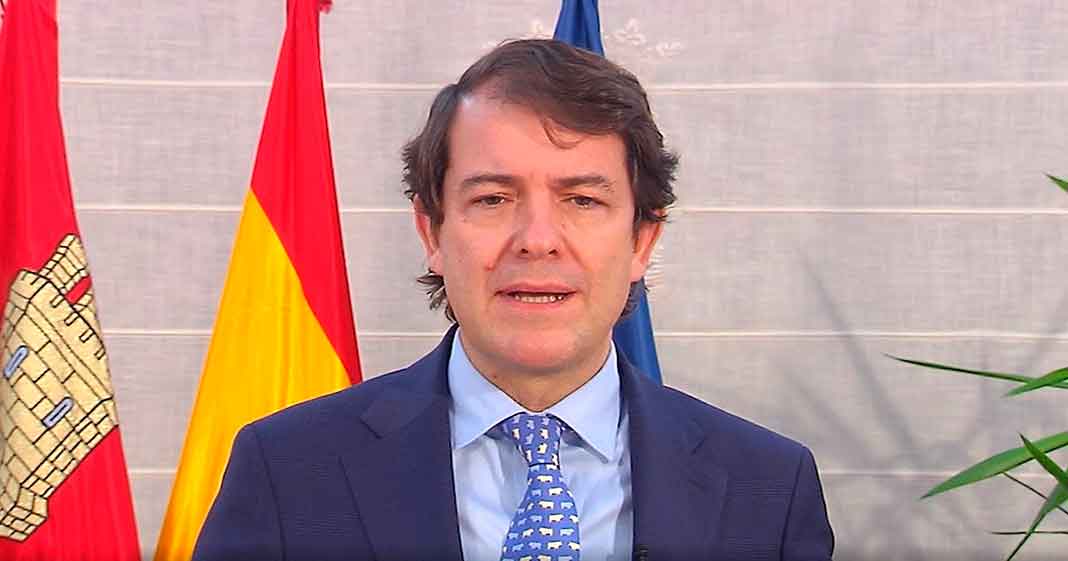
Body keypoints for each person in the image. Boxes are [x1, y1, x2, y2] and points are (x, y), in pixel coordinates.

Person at [193, 39, 834, 561]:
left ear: (643, 240)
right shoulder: (286, 470)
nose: (537, 240)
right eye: (493, 199)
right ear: (432, 232)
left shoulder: (768, 489)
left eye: (582, 200)